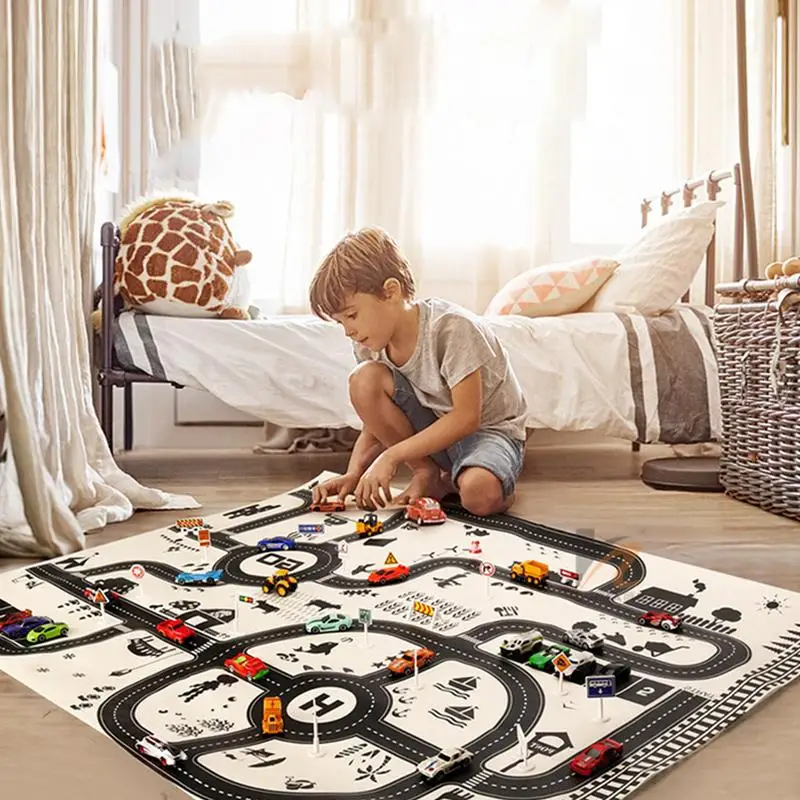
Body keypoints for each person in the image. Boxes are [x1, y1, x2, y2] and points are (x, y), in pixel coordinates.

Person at [308, 226, 527, 516]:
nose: (348, 330)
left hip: (488, 432)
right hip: (435, 433)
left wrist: (391, 456)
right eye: (340, 322)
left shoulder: (452, 328)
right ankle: (428, 473)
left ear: (391, 291)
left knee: (477, 495)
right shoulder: (369, 343)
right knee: (363, 379)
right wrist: (354, 473)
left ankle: (492, 483)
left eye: (352, 315)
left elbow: (467, 418)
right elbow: (375, 421)